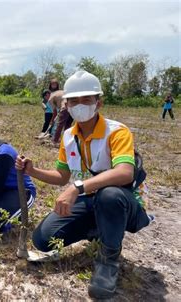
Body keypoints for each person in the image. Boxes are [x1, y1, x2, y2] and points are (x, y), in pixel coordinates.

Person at [16, 70, 151, 299]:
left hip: (123, 203)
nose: (80, 105)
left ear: (98, 102)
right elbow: (61, 175)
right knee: (43, 239)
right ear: (66, 105)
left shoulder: (117, 132)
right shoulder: (68, 136)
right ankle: (100, 229)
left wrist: (76, 188)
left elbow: (125, 173)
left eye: (86, 100)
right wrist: (32, 170)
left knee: (109, 195)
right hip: (91, 200)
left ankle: (108, 261)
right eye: (74, 101)